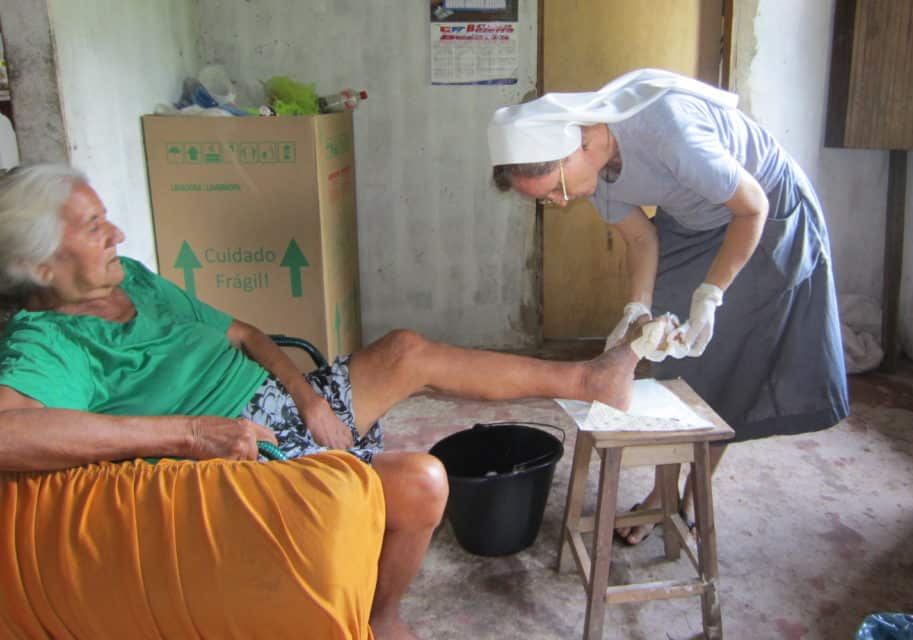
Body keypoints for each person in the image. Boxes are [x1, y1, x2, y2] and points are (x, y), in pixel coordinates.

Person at [0, 163, 642, 640]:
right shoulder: (51, 341)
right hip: (232, 457)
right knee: (422, 481)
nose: (114, 231)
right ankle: (380, 615)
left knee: (405, 350)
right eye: (92, 226)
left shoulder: (133, 277)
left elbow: (247, 335)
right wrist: (190, 434)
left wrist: (310, 400)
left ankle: (589, 380)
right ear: (42, 267)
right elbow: (8, 434)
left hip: (277, 401)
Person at [489, 68, 849, 544]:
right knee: (662, 351)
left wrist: (711, 294)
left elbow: (752, 207)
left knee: (723, 356)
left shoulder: (667, 131)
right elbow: (641, 239)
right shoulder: (597, 176)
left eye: (554, 189)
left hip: (763, 216)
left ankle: (694, 494)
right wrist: (636, 309)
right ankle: (662, 496)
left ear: (580, 146)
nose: (558, 203)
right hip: (696, 220)